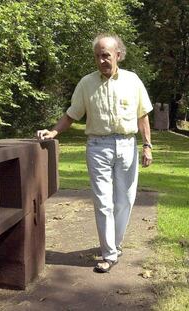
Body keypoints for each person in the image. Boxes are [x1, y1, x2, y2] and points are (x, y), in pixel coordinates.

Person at [37, 33, 153, 273]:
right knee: (103, 201)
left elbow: (143, 115)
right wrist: (53, 132)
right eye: (98, 56)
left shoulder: (133, 81)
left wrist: (147, 145)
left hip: (127, 145)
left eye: (106, 55)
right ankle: (109, 253)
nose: (102, 60)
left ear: (118, 55)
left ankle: (115, 244)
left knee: (125, 201)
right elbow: (72, 114)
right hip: (98, 146)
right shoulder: (86, 83)